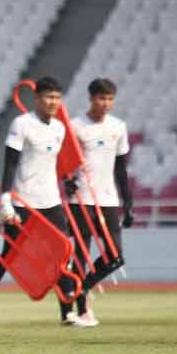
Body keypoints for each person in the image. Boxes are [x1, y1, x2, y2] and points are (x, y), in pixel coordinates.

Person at [0, 77, 82, 328]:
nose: (53, 102)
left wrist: (68, 181)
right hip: (23, 201)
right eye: (48, 97)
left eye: (57, 98)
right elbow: (9, 164)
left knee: (62, 253)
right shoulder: (21, 124)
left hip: (51, 202)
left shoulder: (60, 128)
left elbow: (52, 164)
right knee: (9, 256)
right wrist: (5, 200)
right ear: (37, 98)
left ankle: (68, 312)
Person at [63, 78, 133, 327]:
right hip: (81, 198)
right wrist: (66, 181)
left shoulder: (118, 127)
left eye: (110, 98)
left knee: (116, 256)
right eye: (102, 98)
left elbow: (121, 169)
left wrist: (129, 203)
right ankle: (82, 309)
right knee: (81, 253)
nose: (106, 103)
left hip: (108, 199)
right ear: (91, 98)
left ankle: (82, 289)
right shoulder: (75, 126)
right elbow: (62, 163)